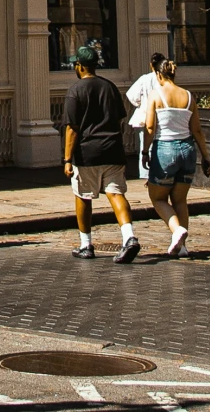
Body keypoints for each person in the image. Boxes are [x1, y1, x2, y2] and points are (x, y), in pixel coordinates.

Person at [62, 43, 137, 263]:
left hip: (88, 153)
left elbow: (72, 128)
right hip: (112, 149)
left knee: (82, 196)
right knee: (116, 193)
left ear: (80, 66)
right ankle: (129, 236)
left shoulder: (75, 91)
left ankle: (86, 244)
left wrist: (67, 159)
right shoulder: (110, 87)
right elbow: (119, 118)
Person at [142, 59, 209, 258]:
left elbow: (150, 127)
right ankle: (183, 247)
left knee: (158, 198)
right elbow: (196, 130)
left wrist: (145, 151)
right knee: (180, 200)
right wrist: (205, 156)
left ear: (159, 75)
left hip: (165, 149)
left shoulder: (156, 94)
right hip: (187, 149)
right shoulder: (188, 96)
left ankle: (176, 230)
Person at [124, 52, 170, 180]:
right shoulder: (166, 80)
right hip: (162, 116)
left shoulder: (145, 79)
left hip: (144, 117)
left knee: (145, 146)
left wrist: (140, 103)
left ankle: (145, 174)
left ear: (151, 65)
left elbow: (132, 95)